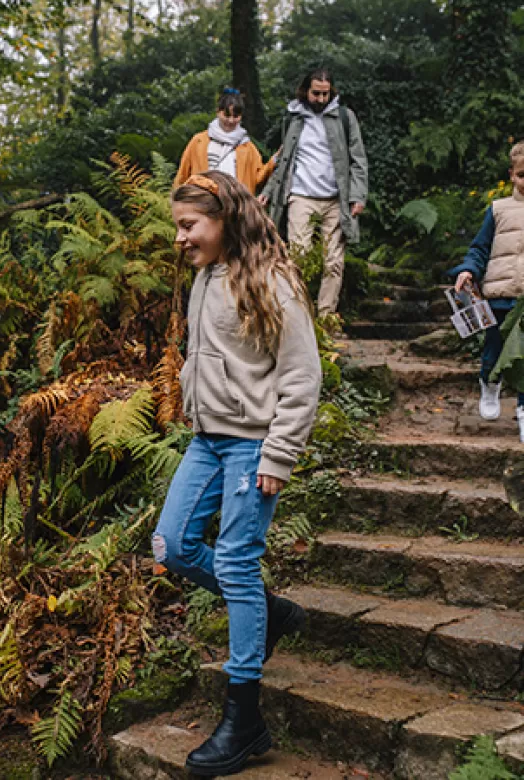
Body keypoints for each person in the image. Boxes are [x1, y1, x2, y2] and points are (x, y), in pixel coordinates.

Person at [153, 171, 321, 776]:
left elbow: (302, 375)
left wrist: (279, 455)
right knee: (170, 545)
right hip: (207, 442)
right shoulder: (204, 276)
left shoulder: (273, 279)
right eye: (178, 226)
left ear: (225, 219)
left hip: (253, 446)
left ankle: (244, 717)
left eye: (188, 225)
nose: (180, 237)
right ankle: (270, 612)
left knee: (235, 562)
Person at [261, 67, 368, 318]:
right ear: (305, 91)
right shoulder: (293, 118)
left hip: (335, 199)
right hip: (301, 194)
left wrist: (358, 195)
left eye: (325, 94)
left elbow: (358, 159)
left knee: (334, 262)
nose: (321, 99)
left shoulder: (344, 117)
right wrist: (269, 190)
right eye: (316, 94)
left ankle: (326, 317)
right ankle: (300, 316)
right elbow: (283, 161)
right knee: (299, 258)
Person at [448, 140, 524, 442]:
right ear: (511, 174)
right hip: (499, 293)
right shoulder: (498, 209)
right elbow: (479, 248)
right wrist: (468, 270)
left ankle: (522, 409)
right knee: (493, 347)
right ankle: (489, 384)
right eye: (522, 175)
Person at [174, 88, 278, 196]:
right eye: (227, 115)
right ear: (218, 111)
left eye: (236, 116)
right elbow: (183, 175)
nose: (231, 120)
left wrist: (274, 160)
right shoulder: (198, 141)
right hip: (204, 201)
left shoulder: (247, 147)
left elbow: (258, 177)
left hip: (235, 203)